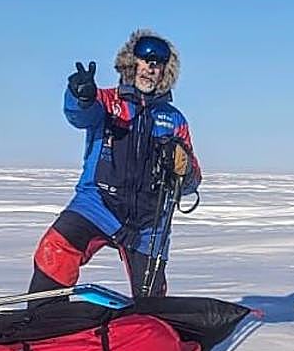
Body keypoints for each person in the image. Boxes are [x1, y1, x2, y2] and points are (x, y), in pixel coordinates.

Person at [29, 29, 201, 299]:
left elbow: (192, 182)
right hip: (97, 205)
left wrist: (184, 168)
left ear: (165, 73)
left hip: (149, 222)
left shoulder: (174, 120)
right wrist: (80, 96)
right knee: (55, 248)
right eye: (144, 62)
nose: (149, 69)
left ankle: (149, 330)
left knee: (151, 299)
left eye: (157, 65)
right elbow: (80, 115)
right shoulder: (107, 102)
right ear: (131, 63)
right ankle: (41, 321)